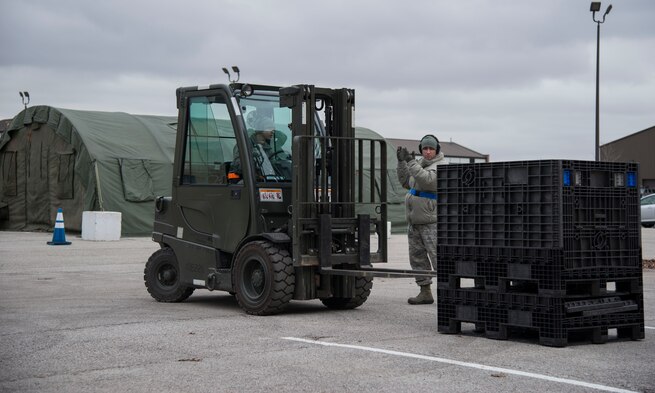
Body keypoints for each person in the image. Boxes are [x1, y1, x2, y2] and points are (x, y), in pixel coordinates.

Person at [396, 134, 446, 304]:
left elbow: (428, 182)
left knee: (438, 258)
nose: (428, 152)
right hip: (415, 222)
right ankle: (425, 292)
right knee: (417, 258)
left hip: (431, 222)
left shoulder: (439, 166)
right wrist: (401, 162)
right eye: (425, 148)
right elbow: (405, 182)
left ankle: (447, 293)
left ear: (436, 149)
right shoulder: (420, 165)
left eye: (431, 148)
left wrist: (411, 162)